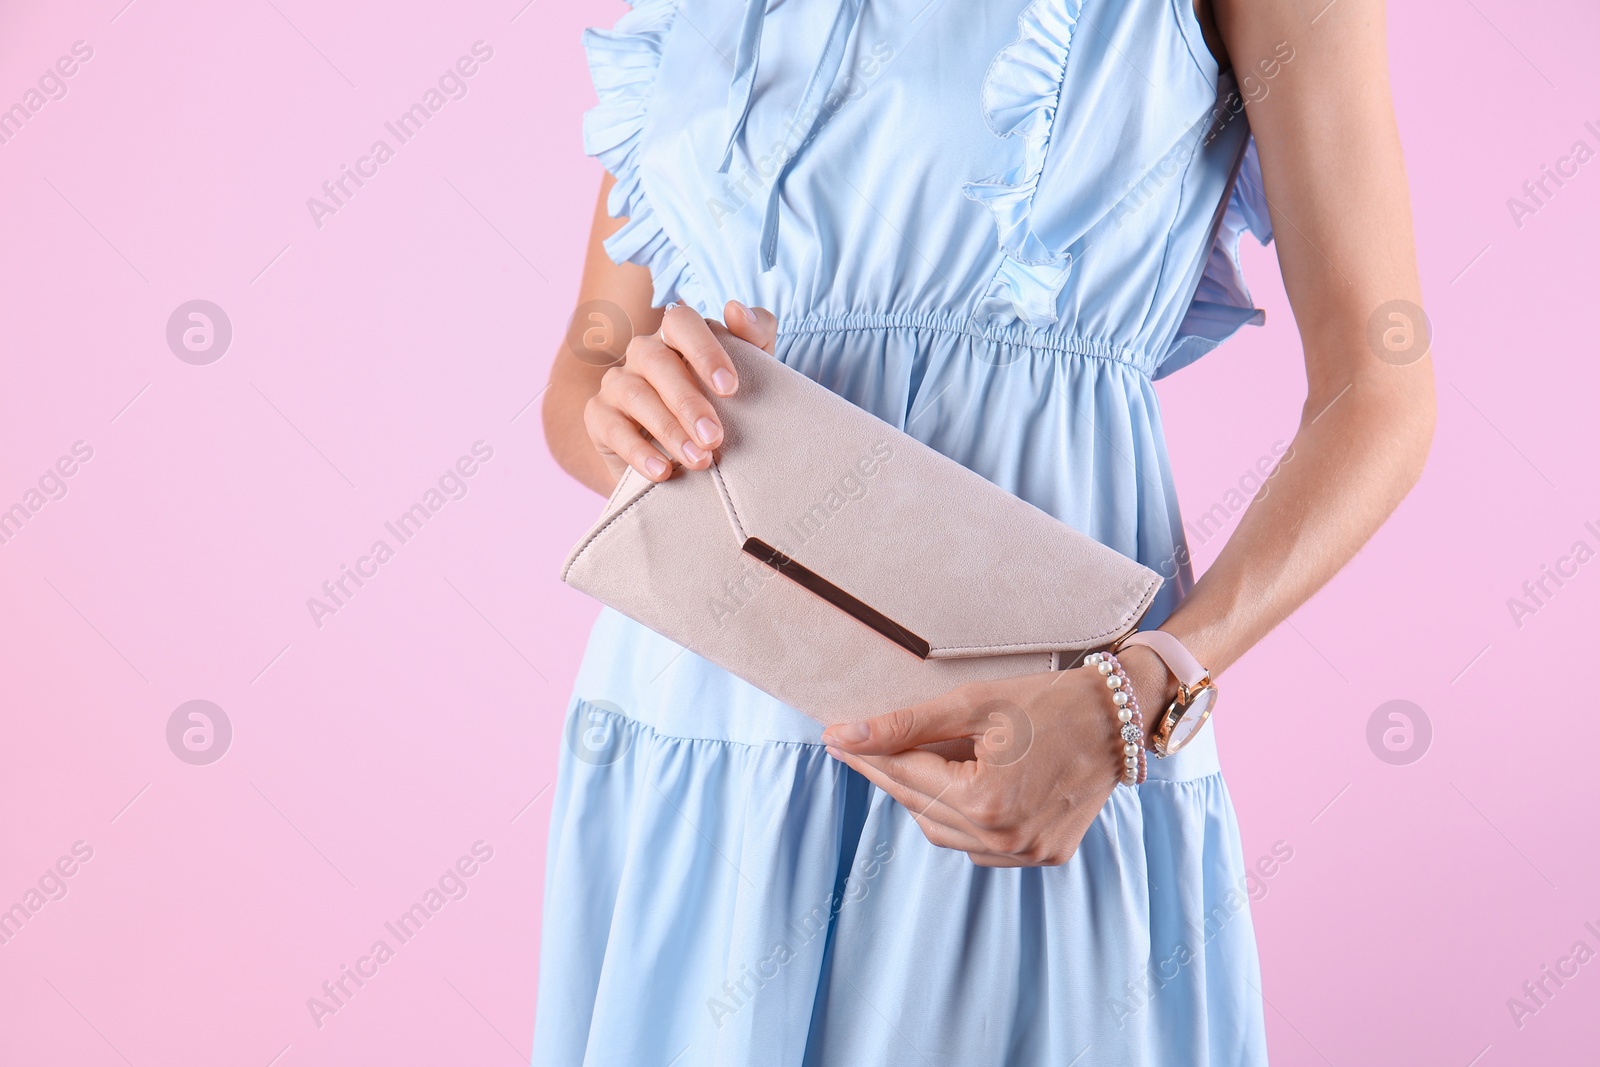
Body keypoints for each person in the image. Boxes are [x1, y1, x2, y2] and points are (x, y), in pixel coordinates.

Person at [537, 0, 1434, 1062]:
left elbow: (1378, 399)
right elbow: (588, 367)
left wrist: (1142, 688)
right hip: (700, 718)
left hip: (1037, 724)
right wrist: (633, 411)